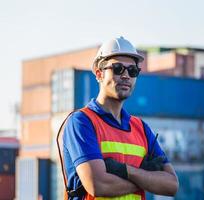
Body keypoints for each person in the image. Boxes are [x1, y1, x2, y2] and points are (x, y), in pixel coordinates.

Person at [57, 36, 179, 200]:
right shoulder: (81, 122)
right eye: (118, 68)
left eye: (132, 70)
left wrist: (126, 171)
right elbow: (98, 185)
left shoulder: (141, 128)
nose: (126, 75)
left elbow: (171, 185)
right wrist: (146, 179)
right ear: (99, 74)